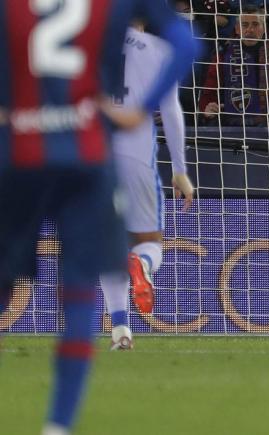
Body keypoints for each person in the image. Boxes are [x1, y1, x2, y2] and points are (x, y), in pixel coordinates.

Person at [0, 2, 197, 434]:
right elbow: (186, 49)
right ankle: (58, 426)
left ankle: (123, 322)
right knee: (86, 280)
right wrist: (170, 155)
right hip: (93, 151)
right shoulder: (110, 11)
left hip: (23, 151)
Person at [101, 25, 196, 351]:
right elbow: (171, 110)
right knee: (148, 243)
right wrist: (180, 169)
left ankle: (120, 331)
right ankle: (142, 264)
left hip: (91, 158)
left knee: (108, 246)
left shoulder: (84, 40)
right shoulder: (157, 48)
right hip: (137, 157)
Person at [198, 4, 269, 136]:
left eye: (255, 24)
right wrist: (207, 108)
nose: (250, 30)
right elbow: (209, 91)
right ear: (237, 29)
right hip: (228, 126)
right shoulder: (223, 54)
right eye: (245, 25)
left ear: (264, 28)